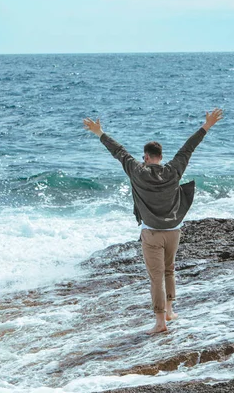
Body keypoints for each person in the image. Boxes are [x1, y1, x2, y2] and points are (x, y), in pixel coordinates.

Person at [83, 109, 224, 334]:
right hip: (173, 231)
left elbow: (118, 152)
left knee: (155, 278)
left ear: (146, 157)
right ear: (161, 155)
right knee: (169, 270)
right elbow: (189, 147)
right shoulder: (174, 170)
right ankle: (169, 311)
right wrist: (206, 126)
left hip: (152, 234)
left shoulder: (138, 171)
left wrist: (99, 132)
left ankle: (160, 323)